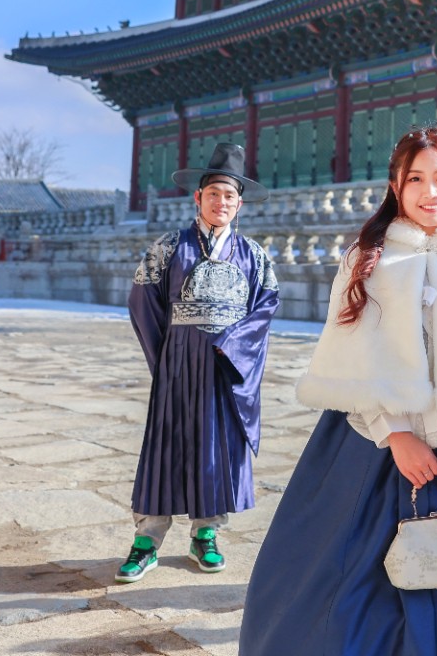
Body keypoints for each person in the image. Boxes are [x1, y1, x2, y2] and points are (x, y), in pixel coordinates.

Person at [239, 127, 437, 656]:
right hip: (375, 444)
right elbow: (350, 355)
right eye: (415, 179)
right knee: (348, 588)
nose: (430, 192)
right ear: (396, 187)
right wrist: (396, 433)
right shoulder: (369, 256)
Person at [118, 143, 280, 583]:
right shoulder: (168, 247)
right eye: (213, 194)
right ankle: (146, 541)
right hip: (178, 365)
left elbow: (265, 308)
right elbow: (142, 303)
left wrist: (233, 349)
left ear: (239, 203)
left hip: (224, 368)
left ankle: (206, 535)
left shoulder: (255, 256)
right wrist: (168, 353)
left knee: (216, 453)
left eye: (229, 196)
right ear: (198, 198)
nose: (221, 203)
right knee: (164, 449)